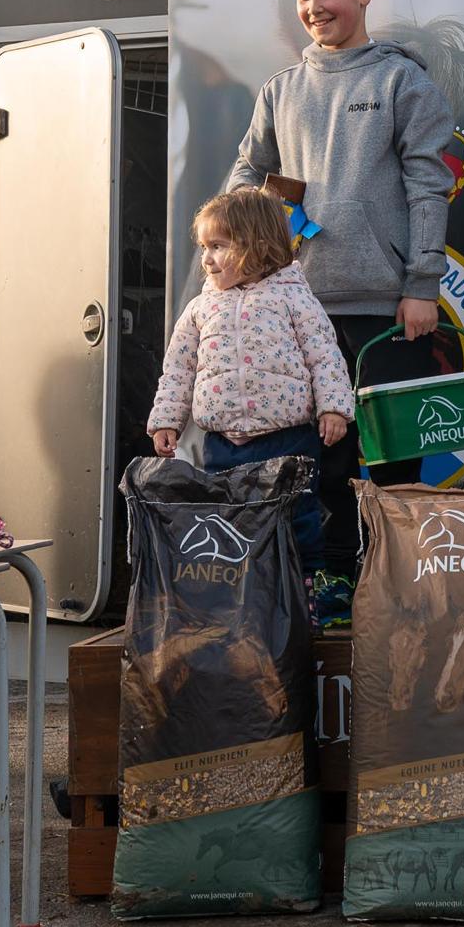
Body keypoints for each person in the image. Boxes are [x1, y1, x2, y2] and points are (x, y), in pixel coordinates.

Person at [227, 0, 455, 610]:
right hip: (300, 310)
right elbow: (246, 175)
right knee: (319, 461)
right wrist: (260, 219)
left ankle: (398, 587)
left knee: (393, 461)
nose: (314, 5)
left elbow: (427, 186)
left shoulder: (402, 81)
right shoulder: (280, 90)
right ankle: (329, 579)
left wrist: (420, 285)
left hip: (388, 310)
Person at [148, 188, 354, 627]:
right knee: (233, 521)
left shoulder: (294, 298)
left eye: (219, 246)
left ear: (258, 245)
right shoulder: (201, 308)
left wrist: (334, 409)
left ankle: (305, 595)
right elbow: (179, 370)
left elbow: (325, 355)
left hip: (288, 436)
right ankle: (242, 603)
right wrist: (166, 419)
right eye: (204, 247)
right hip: (224, 443)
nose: (207, 258)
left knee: (297, 517)